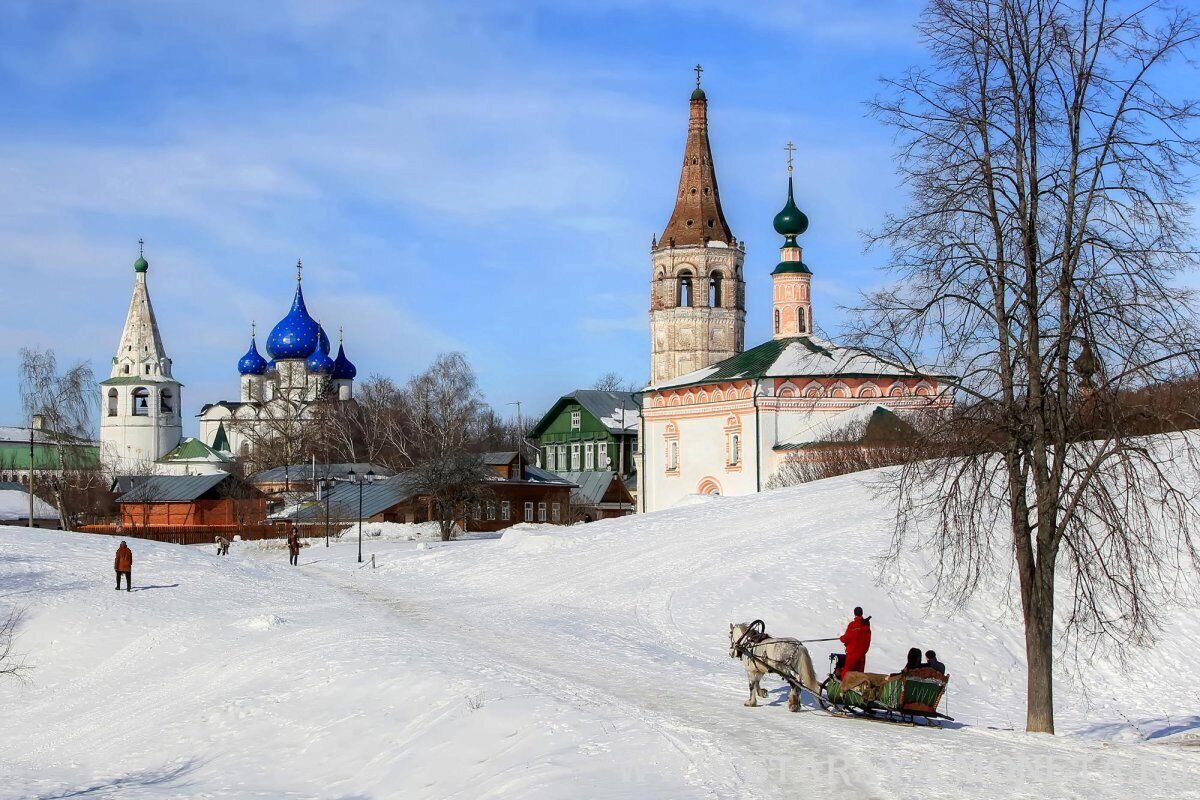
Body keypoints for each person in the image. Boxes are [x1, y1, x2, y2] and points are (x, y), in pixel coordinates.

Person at [839, 606, 872, 679]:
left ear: (854, 614)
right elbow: (867, 640)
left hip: (852, 654)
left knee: (846, 673)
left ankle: (842, 688)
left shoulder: (852, 625)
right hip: (862, 655)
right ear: (862, 613)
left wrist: (841, 638)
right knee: (859, 676)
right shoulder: (866, 627)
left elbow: (846, 638)